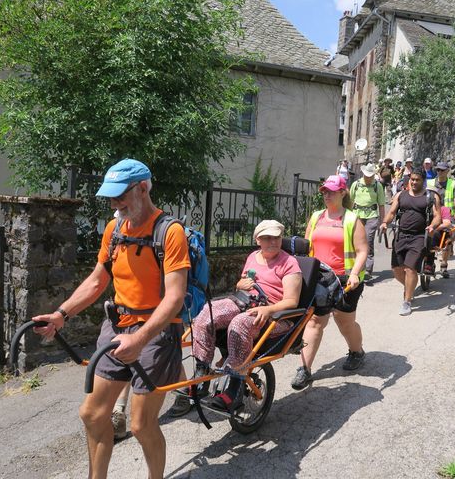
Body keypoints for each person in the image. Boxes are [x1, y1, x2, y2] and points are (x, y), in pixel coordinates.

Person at [32, 158, 190, 479]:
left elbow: (174, 298)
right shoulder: (114, 229)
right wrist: (62, 314)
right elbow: (97, 280)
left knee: (141, 424)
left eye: (120, 196)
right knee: (92, 414)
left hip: (157, 332)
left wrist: (140, 338)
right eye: (110, 197)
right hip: (117, 325)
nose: (114, 203)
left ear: (142, 189)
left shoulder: (169, 232)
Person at [190, 219, 302, 410]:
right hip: (244, 301)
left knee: (239, 324)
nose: (273, 241)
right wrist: (239, 285)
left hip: (275, 314)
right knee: (205, 314)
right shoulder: (252, 257)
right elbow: (243, 283)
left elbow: (292, 301)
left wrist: (267, 309)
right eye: (267, 238)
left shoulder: (289, 263)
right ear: (258, 239)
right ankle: (202, 374)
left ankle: (234, 389)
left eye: (276, 237)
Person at [291, 175, 368, 390]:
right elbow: (306, 247)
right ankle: (305, 369)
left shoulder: (352, 219)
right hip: (320, 277)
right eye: (324, 191)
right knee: (315, 321)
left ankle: (357, 352)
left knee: (344, 322)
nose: (326, 195)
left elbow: (362, 251)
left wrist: (354, 273)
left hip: (345, 279)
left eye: (331, 191)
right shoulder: (316, 217)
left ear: (343, 192)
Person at [380, 168, 441, 316]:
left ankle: (407, 301)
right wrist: (384, 223)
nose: (413, 182)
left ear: (423, 181)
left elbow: (437, 216)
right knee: (396, 270)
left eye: (417, 180)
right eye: (412, 179)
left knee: (410, 269)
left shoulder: (431, 197)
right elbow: (392, 212)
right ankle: (410, 287)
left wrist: (432, 226)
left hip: (419, 237)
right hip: (401, 235)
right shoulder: (401, 195)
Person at [350, 163, 386, 282]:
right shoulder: (356, 185)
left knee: (368, 241)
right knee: (355, 242)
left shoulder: (377, 186)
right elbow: (349, 202)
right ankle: (358, 268)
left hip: (372, 216)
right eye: (367, 175)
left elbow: (381, 205)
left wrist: (383, 222)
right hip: (357, 216)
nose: (368, 178)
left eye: (370, 176)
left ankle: (368, 271)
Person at [427, 161, 455, 278]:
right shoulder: (430, 182)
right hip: (433, 213)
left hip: (449, 215)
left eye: (442, 170)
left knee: (447, 241)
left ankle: (444, 264)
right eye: (438, 170)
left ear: (447, 171)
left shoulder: (453, 184)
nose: (440, 172)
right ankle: (429, 261)